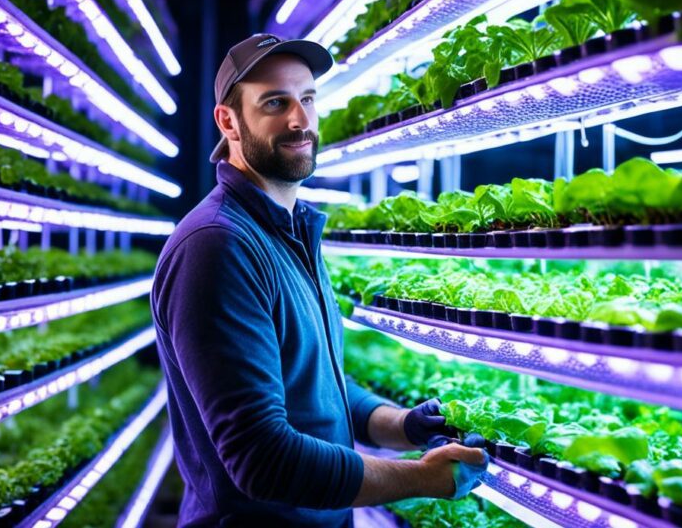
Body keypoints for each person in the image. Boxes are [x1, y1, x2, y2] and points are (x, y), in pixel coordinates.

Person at [151, 34, 487, 527]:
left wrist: (403, 426)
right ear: (229, 122)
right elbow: (262, 459)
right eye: (275, 103)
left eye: (308, 99)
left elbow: (313, 385)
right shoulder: (217, 247)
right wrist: (420, 478)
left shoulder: (289, 232)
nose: (300, 121)